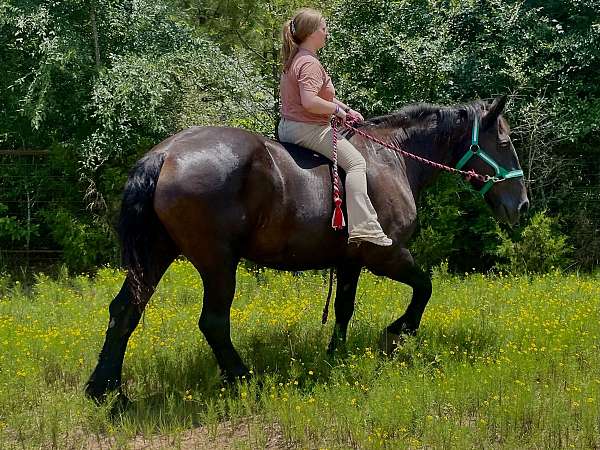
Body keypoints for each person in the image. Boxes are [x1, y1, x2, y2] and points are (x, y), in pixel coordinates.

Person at [278, 8, 392, 246]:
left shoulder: (296, 58)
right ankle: (364, 227)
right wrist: (337, 111)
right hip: (307, 129)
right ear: (311, 33)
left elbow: (318, 98)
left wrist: (345, 109)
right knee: (357, 163)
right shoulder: (309, 63)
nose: (326, 32)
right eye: (323, 28)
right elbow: (310, 102)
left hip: (290, 126)